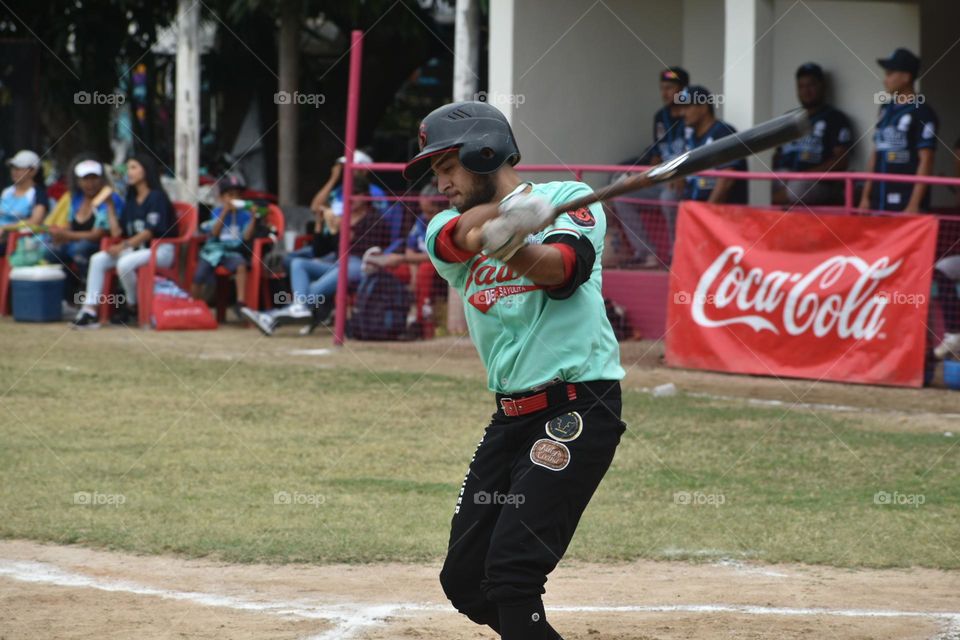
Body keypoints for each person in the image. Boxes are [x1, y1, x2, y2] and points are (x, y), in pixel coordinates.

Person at [404, 100, 626, 640]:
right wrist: (501, 229)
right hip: (510, 418)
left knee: (512, 569)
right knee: (464, 579)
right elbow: (460, 239)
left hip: (577, 406)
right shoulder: (441, 226)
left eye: (448, 165)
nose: (442, 182)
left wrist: (518, 246)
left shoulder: (569, 200)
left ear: (486, 150)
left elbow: (563, 272)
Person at [242, 175, 393, 336]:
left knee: (311, 291)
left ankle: (273, 316)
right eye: (348, 193)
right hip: (337, 262)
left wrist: (344, 232)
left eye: (355, 193)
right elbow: (320, 251)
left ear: (365, 195)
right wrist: (321, 225)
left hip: (360, 265)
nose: (351, 197)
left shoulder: (375, 219)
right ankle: (294, 309)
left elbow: (365, 251)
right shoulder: (343, 216)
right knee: (298, 263)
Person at [71, 155, 175, 328]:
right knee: (98, 259)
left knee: (125, 262)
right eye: (128, 168)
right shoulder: (131, 201)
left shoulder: (157, 197)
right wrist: (110, 206)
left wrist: (123, 246)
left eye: (133, 167)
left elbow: (149, 232)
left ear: (146, 171)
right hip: (136, 250)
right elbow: (118, 232)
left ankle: (132, 305)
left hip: (161, 250)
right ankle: (89, 311)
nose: (129, 172)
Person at [611, 66, 689, 267]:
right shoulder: (660, 116)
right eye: (662, 88)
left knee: (668, 197)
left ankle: (676, 254)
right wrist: (646, 176)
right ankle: (646, 254)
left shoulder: (691, 114)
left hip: (686, 182)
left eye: (670, 87)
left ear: (683, 90)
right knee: (622, 196)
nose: (664, 93)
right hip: (665, 179)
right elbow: (656, 154)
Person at [859, 48, 938, 213]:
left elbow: (926, 160)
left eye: (890, 73)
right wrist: (865, 197)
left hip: (904, 204)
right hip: (877, 201)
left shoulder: (923, 112)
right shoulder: (885, 109)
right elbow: (876, 153)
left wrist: (914, 205)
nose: (885, 80)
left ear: (906, 77)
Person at [283, 150, 389, 272]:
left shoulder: (373, 193)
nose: (347, 171)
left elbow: (375, 224)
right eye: (345, 168)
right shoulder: (341, 190)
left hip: (345, 249)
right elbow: (315, 207)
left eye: (351, 167)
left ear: (364, 170)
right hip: (325, 242)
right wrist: (333, 178)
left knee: (301, 264)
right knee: (288, 260)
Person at [772, 63, 853, 206]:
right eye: (801, 86)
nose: (806, 91)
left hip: (817, 182)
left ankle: (770, 201)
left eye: (811, 85)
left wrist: (806, 174)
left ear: (822, 86)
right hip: (787, 177)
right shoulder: (788, 118)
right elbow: (777, 154)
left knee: (798, 187)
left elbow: (841, 161)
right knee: (765, 181)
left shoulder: (835, 118)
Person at [46, 157, 122, 292]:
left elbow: (98, 234)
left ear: (102, 180)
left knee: (80, 249)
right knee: (51, 250)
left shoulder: (109, 199)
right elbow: (70, 224)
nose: (90, 183)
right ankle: (67, 292)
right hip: (76, 241)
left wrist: (66, 234)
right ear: (78, 182)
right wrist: (59, 234)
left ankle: (86, 289)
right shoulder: (76, 198)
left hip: (102, 244)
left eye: (94, 178)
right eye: (85, 179)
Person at [191, 173, 256, 321]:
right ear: (222, 198)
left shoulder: (244, 215)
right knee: (198, 275)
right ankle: (194, 306)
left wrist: (253, 218)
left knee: (241, 265)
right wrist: (225, 211)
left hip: (232, 252)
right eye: (230, 195)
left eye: (237, 196)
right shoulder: (217, 212)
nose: (234, 199)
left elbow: (246, 237)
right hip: (213, 250)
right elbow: (214, 233)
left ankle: (240, 302)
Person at [676, 85, 747, 204]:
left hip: (722, 214)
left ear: (703, 108)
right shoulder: (690, 136)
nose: (682, 113)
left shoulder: (723, 132)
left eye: (687, 107)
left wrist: (706, 212)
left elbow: (727, 178)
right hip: (694, 208)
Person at [0, 150, 49, 254]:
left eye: (19, 168)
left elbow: (36, 221)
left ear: (33, 171)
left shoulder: (38, 194)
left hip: (18, 240)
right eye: (13, 168)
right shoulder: (6, 192)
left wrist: (6, 229)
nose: (14, 171)